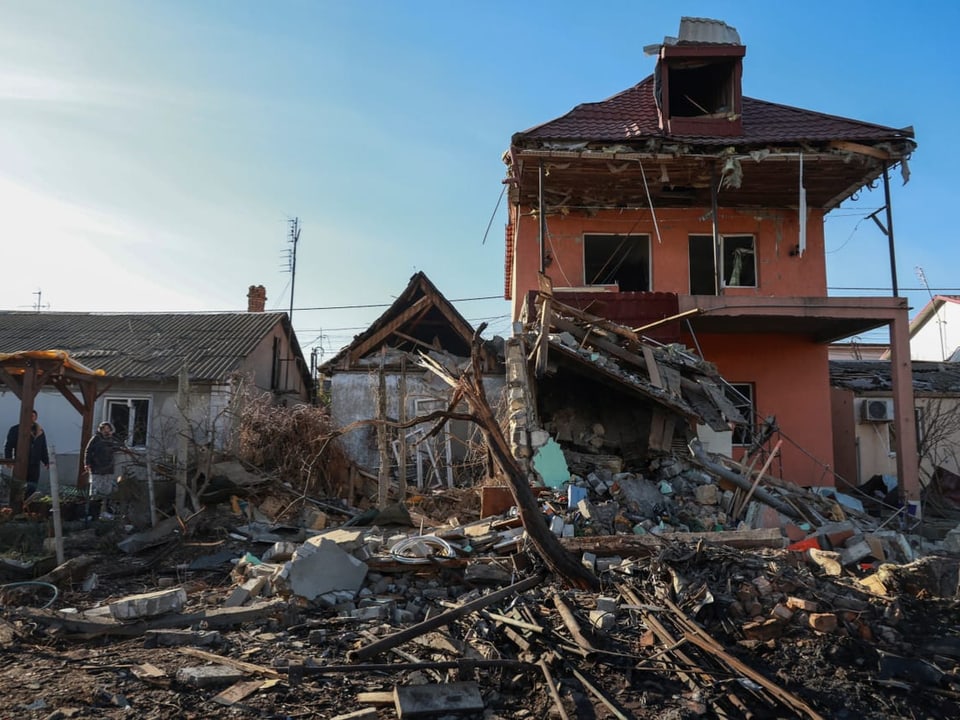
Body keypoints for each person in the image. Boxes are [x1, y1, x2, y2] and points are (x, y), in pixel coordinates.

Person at [4, 410, 49, 498]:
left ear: (36, 418)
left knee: (32, 486)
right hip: (20, 462)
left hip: (34, 463)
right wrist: (8, 459)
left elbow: (43, 447)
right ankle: (16, 507)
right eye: (29, 416)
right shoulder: (15, 429)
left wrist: (46, 461)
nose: (31, 418)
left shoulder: (40, 431)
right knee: (18, 486)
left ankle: (29, 506)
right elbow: (8, 445)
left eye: (33, 416)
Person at [84, 421, 123, 516]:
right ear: (101, 430)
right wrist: (87, 463)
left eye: (108, 429)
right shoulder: (96, 439)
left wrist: (114, 440)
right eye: (104, 429)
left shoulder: (111, 439)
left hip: (108, 468)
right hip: (97, 468)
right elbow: (88, 451)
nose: (106, 431)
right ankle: (93, 512)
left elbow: (119, 446)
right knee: (96, 490)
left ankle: (106, 510)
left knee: (108, 490)